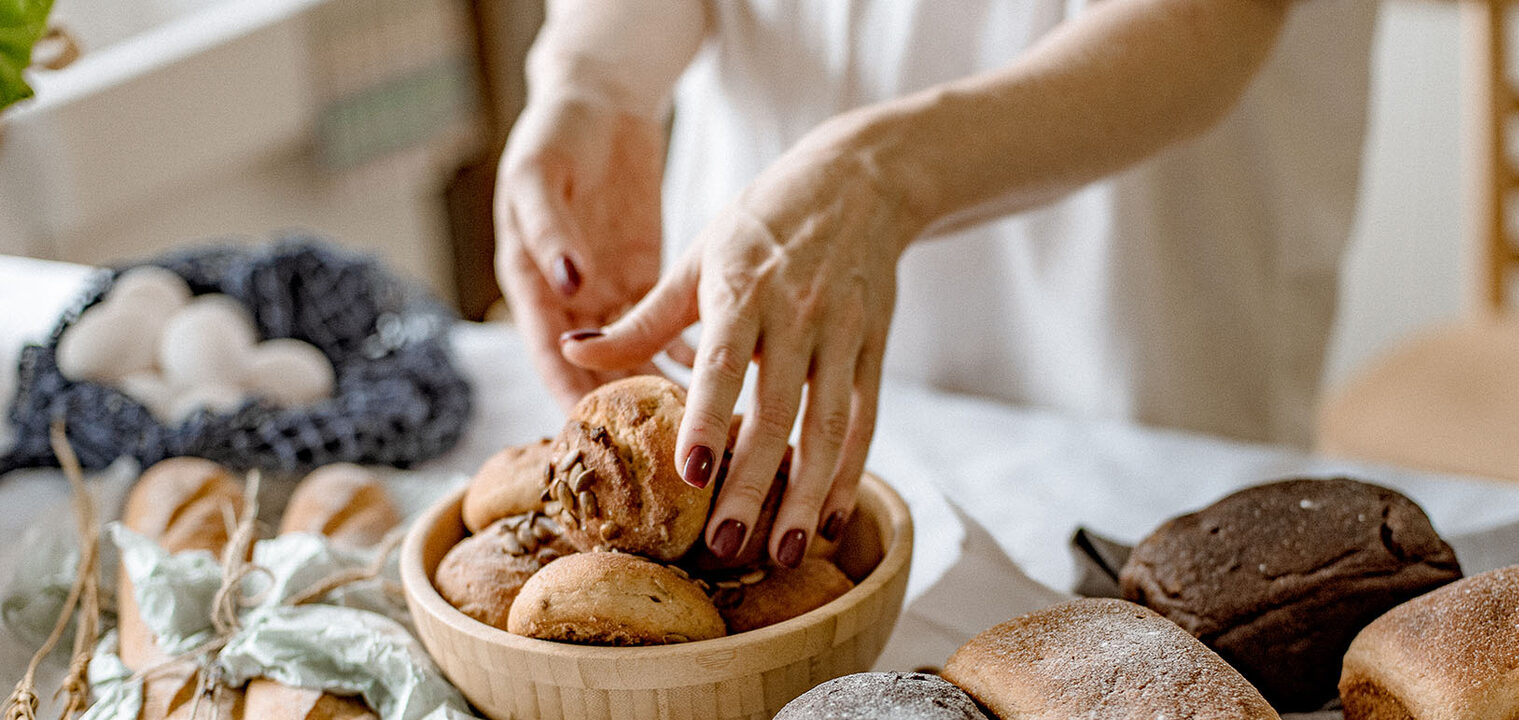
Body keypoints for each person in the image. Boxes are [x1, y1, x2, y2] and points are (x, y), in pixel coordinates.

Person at [494, 0, 1379, 569]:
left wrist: (879, 177)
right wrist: (593, 79)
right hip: (760, 277)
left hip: (1120, 326)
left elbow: (1202, 24)